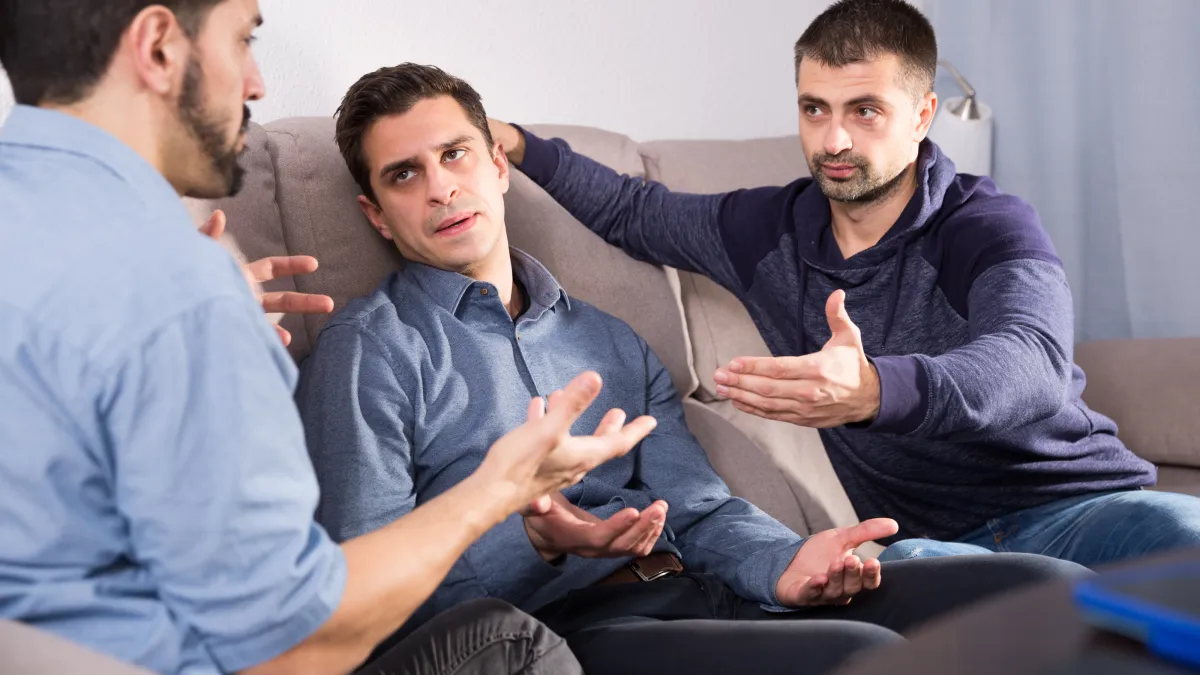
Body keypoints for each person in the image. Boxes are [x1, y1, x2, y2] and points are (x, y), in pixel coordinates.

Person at [295, 61, 1089, 675]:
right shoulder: (371, 350)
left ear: (497, 167)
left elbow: (701, 508)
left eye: (455, 153)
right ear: (376, 213)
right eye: (404, 174)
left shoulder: (607, 337)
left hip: (708, 587)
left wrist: (786, 563)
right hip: (584, 632)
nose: (440, 187)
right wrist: (535, 546)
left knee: (1046, 593)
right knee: (869, 656)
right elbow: (362, 604)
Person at [0, 2, 656, 674]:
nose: (256, 81)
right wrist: (502, 488)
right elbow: (293, 643)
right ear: (160, 46)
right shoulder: (179, 286)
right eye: (243, 38)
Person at [488, 0, 1200, 568]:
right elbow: (632, 210)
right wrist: (516, 142)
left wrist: (875, 390)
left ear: (922, 116)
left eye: (865, 110)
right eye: (813, 108)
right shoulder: (766, 229)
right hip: (929, 547)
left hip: (1080, 508)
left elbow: (1033, 365)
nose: (832, 141)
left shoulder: (986, 224)